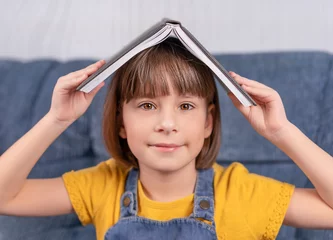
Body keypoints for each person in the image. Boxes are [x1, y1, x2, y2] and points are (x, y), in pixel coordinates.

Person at [0, 38, 332, 240]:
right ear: (121, 123)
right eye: (147, 105)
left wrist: (281, 132)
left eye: (186, 106)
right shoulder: (101, 186)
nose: (167, 123)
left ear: (208, 122)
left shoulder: (242, 192)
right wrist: (56, 119)